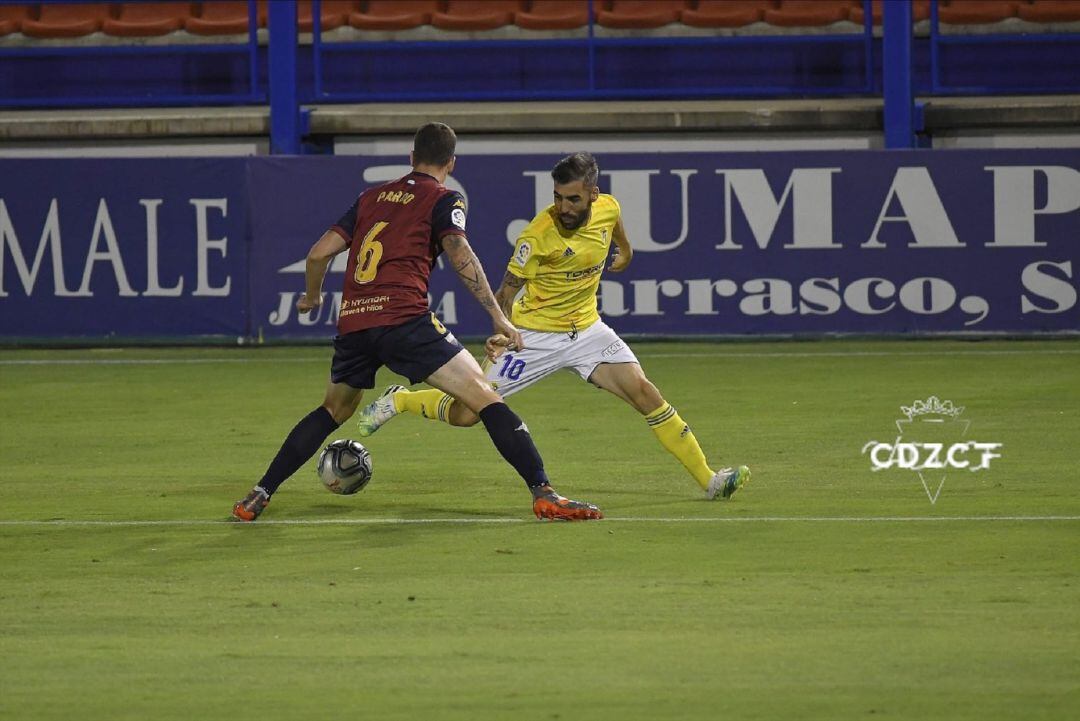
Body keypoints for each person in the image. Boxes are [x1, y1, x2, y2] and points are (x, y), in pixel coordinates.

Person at [232, 124, 602, 522]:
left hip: (355, 322)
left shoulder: (370, 196)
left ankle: (259, 493)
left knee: (333, 410)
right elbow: (459, 252)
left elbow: (319, 254)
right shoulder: (444, 198)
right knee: (484, 397)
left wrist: (313, 296)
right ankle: (543, 492)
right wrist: (498, 316)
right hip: (404, 318)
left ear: (411, 158)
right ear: (451, 163)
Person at [355, 152, 750, 501]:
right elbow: (506, 291)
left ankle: (710, 481)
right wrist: (501, 329)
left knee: (645, 393)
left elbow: (614, 228)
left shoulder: (608, 208)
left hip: (588, 332)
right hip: (532, 338)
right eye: (558, 197)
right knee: (468, 414)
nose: (563, 206)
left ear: (593, 194)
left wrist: (626, 251)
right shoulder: (536, 237)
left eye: (573, 198)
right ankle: (402, 400)